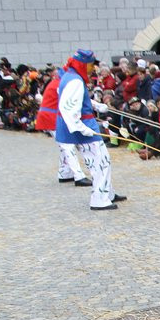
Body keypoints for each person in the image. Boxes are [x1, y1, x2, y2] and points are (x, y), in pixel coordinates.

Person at [55, 49, 125, 210]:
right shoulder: (75, 81)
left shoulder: (70, 76)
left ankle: (108, 193)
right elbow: (68, 108)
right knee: (100, 162)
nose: (92, 68)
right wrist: (81, 128)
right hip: (83, 129)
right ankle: (99, 198)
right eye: (90, 65)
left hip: (82, 126)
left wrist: (94, 104)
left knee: (101, 161)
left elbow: (72, 99)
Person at [36, 67, 91, 187]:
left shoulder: (57, 83)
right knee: (68, 146)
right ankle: (78, 176)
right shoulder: (59, 85)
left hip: (52, 117)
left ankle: (64, 173)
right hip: (52, 118)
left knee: (64, 146)